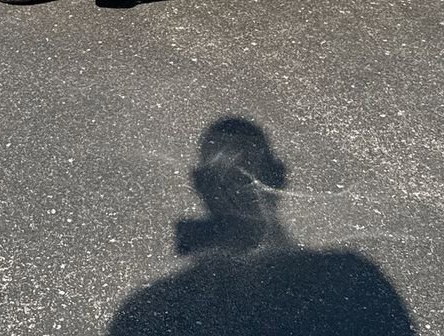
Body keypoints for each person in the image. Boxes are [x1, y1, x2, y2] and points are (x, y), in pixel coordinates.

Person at [108, 118, 415, 335]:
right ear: (279, 176)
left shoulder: (156, 308)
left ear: (199, 184)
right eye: (227, 175)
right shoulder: (349, 283)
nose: (236, 189)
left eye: (243, 174)